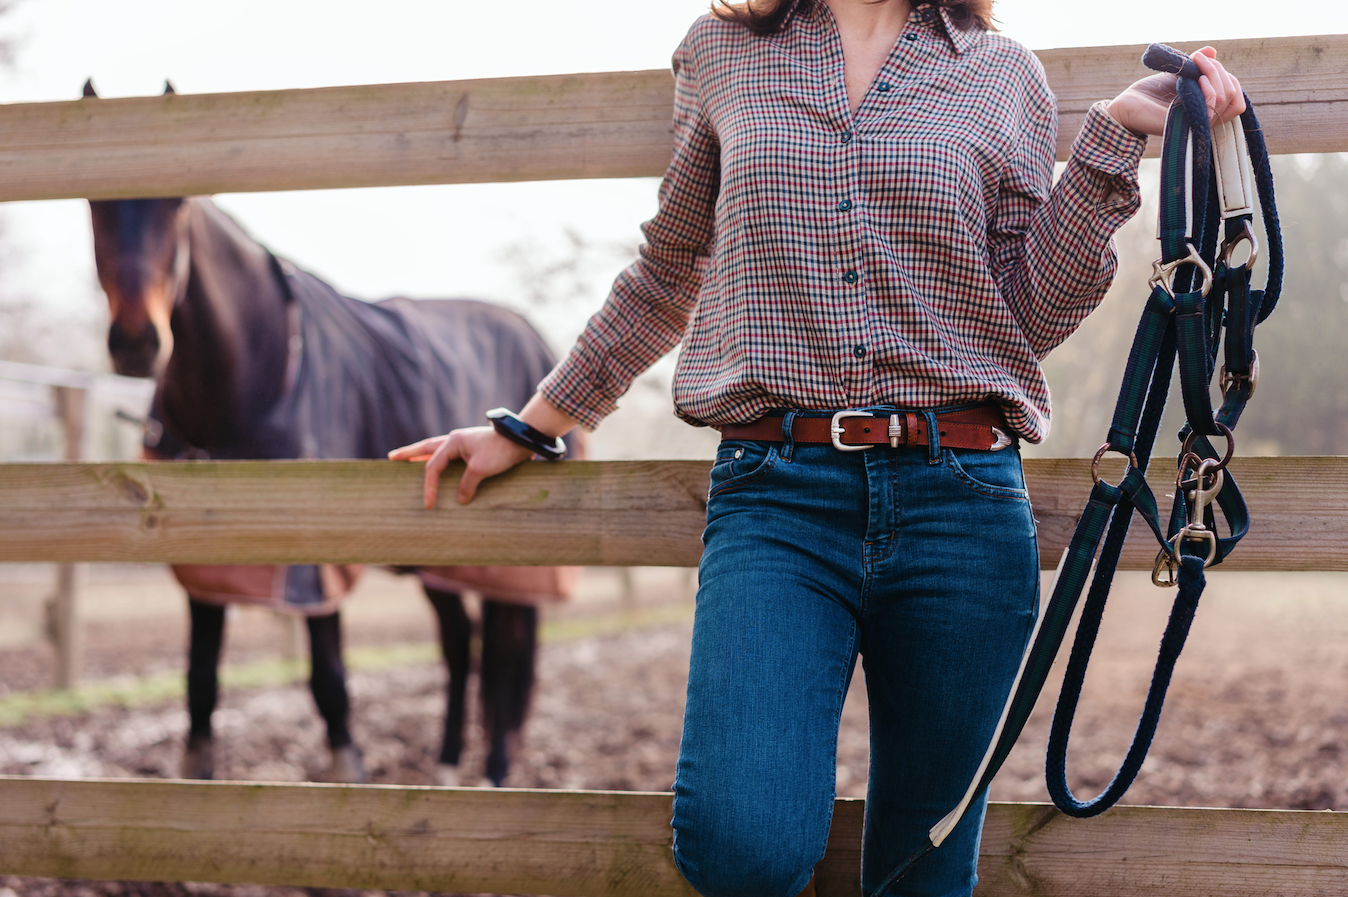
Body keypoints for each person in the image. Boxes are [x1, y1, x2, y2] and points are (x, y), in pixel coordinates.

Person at [390, 1, 1246, 894]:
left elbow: (1021, 318)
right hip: (777, 496)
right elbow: (670, 268)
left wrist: (1110, 139)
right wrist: (531, 422)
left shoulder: (1003, 72)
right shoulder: (721, 50)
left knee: (925, 867)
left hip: (962, 497)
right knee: (741, 844)